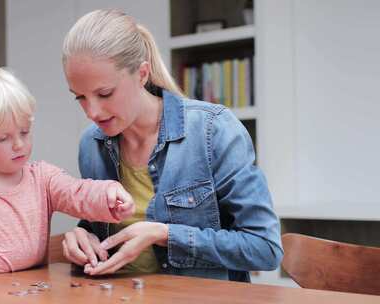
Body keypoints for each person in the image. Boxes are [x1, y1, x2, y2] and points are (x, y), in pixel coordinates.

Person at [60, 9, 283, 282]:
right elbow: (104, 225)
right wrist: (84, 235)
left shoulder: (213, 130)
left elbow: (265, 248)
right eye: (79, 97)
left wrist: (165, 235)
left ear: (142, 74)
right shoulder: (91, 145)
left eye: (104, 93)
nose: (92, 112)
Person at [0, 64, 135, 277]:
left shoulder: (43, 178)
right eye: (2, 138)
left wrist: (108, 194)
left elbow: (77, 192)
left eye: (24, 132)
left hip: (32, 291)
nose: (18, 144)